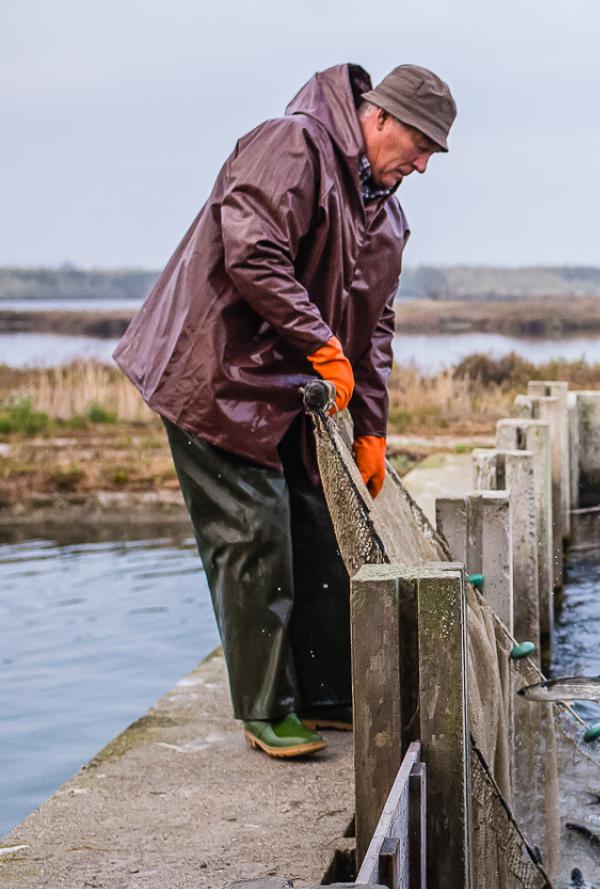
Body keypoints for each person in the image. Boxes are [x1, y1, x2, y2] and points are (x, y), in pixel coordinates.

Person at [114, 64, 455, 757]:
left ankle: (328, 694)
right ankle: (266, 710)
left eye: (432, 155)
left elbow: (375, 331)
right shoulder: (291, 144)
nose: (421, 165)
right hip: (209, 375)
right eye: (419, 144)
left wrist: (373, 430)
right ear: (379, 117)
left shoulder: (386, 214)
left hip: (287, 394)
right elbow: (254, 254)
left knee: (324, 527)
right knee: (255, 535)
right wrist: (322, 345)